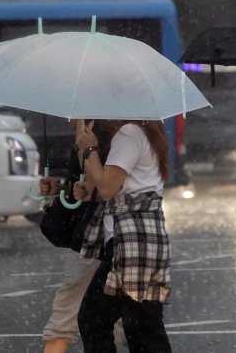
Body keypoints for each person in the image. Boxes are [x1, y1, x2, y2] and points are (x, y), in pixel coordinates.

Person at [74, 118, 173, 352]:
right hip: (138, 240)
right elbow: (104, 188)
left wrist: (90, 148)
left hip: (131, 242)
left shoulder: (129, 133)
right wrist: (84, 148)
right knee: (140, 325)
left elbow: (107, 187)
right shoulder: (144, 131)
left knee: (104, 320)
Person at [39, 120, 127, 353]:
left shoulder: (95, 139)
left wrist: (86, 150)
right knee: (109, 317)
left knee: (67, 311)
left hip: (96, 235)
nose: (67, 119)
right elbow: (83, 190)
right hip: (111, 235)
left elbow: (101, 188)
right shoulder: (99, 137)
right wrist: (59, 189)